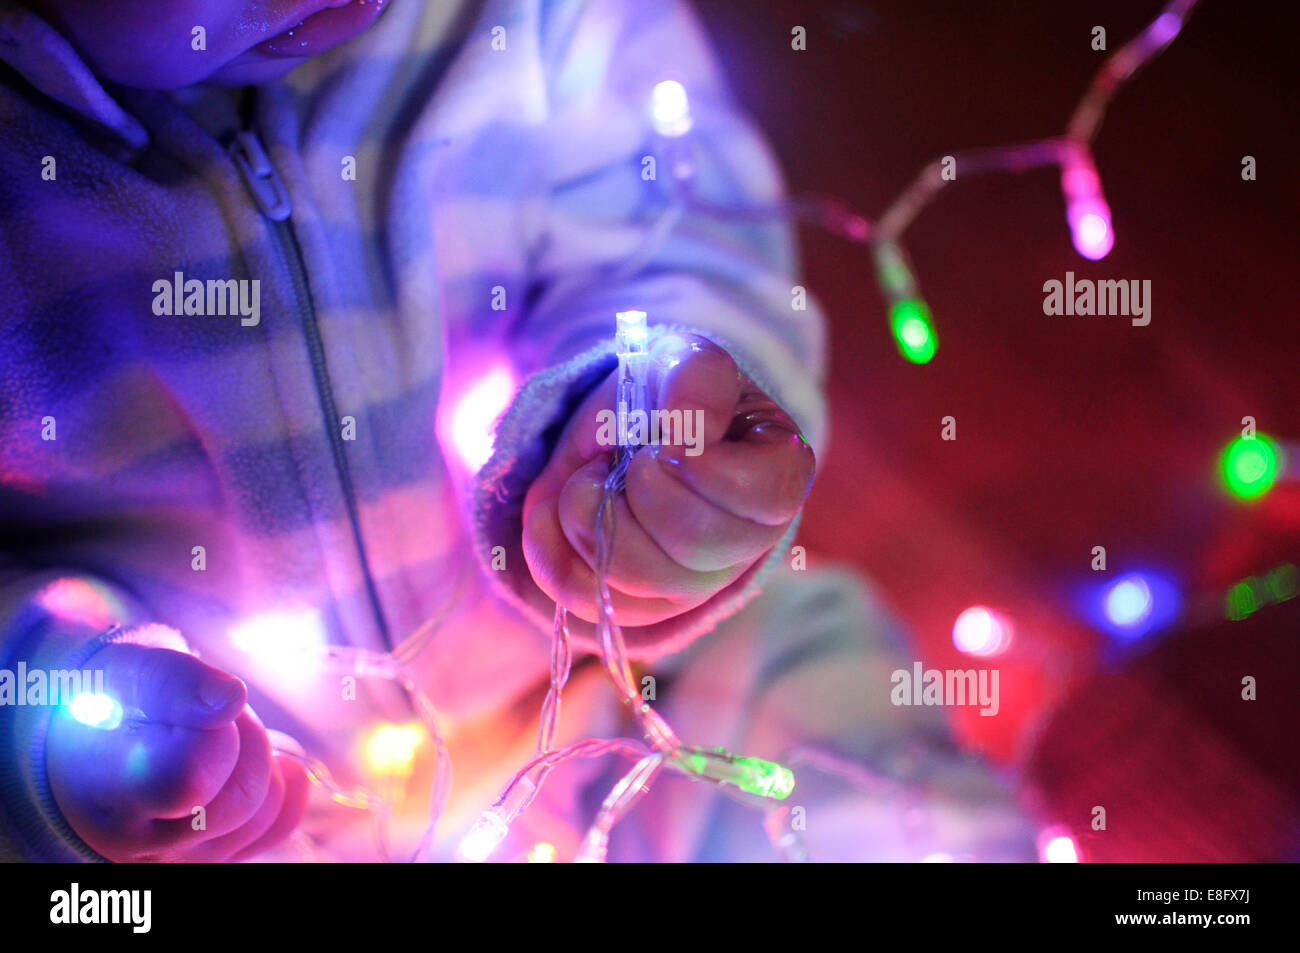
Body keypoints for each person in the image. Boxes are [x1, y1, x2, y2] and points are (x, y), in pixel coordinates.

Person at [0, 0, 1032, 861]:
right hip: (252, 813)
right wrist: (49, 728)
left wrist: (671, 416)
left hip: (613, 681)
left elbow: (676, 224)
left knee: (840, 734)